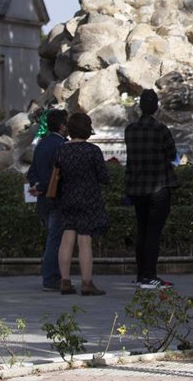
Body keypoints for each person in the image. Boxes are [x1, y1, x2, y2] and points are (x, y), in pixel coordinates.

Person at [125, 89, 178, 289]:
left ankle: (141, 274)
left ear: (140, 107)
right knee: (153, 232)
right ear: (156, 108)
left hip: (137, 187)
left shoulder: (130, 130)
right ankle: (150, 275)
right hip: (159, 186)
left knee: (142, 230)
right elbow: (172, 154)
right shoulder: (161, 130)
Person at [56, 112, 109, 295]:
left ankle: (65, 281)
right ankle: (86, 283)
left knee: (66, 238)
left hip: (67, 198)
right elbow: (103, 177)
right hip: (88, 199)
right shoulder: (93, 150)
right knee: (84, 240)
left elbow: (57, 174)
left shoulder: (62, 150)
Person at [27, 108, 68, 292]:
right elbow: (57, 172)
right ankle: (51, 277)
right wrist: (43, 186)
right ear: (62, 126)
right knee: (55, 239)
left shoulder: (42, 143)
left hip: (42, 199)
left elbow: (32, 171)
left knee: (52, 237)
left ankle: (52, 275)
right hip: (56, 197)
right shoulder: (62, 145)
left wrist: (36, 185)